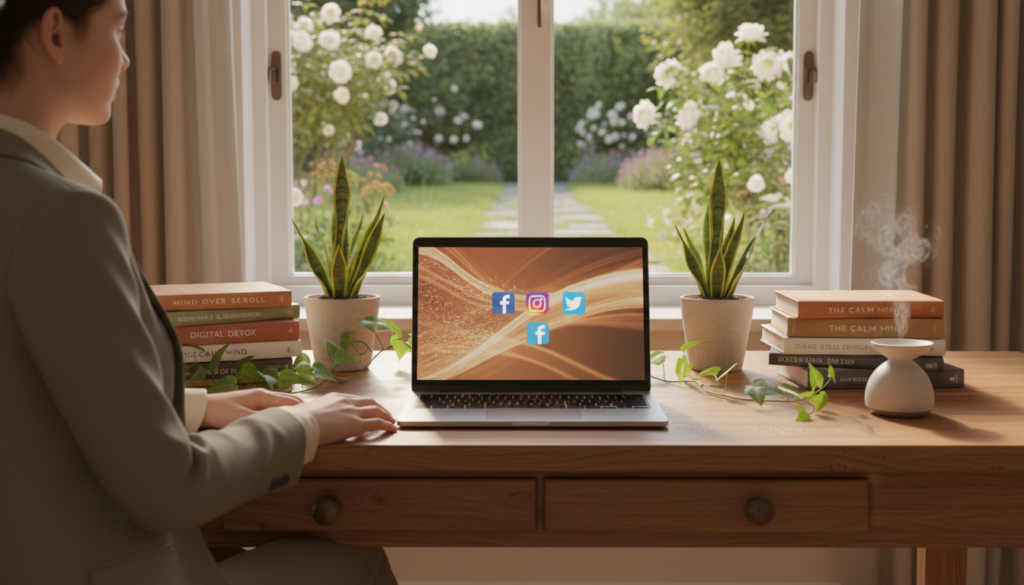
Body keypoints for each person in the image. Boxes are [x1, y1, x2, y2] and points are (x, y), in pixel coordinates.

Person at [0, 1, 401, 583]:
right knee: (356, 564)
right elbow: (167, 490)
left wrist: (199, 407)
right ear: (56, 33)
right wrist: (304, 426)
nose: (127, 58)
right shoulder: (63, 216)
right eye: (117, 29)